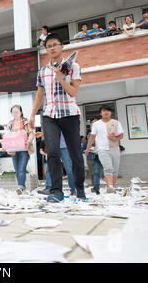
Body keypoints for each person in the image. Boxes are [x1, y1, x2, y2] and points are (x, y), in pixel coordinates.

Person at [29, 33, 87, 203]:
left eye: (55, 44)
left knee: (75, 153)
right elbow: (40, 94)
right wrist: (32, 115)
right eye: (49, 46)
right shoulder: (42, 71)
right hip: (49, 115)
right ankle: (56, 191)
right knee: (52, 152)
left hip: (69, 114)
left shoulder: (73, 66)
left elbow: (73, 92)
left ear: (62, 46)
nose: (52, 48)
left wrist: (60, 77)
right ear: (46, 50)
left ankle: (80, 189)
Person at [85, 105, 124, 193]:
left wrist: (114, 138)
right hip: (102, 150)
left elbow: (121, 135)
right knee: (108, 168)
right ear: (101, 113)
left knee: (115, 169)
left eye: (108, 111)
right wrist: (87, 149)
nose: (106, 112)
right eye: (104, 111)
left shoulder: (116, 122)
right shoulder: (96, 124)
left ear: (111, 112)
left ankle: (113, 187)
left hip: (115, 149)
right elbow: (92, 137)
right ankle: (110, 186)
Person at [5, 105, 35, 195]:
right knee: (17, 169)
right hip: (14, 150)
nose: (15, 113)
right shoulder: (10, 124)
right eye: (13, 112)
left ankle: (20, 186)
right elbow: (7, 136)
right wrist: (7, 147)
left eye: (17, 112)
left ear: (21, 112)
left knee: (21, 168)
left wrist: (29, 141)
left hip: (24, 149)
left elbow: (31, 133)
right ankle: (21, 186)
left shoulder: (26, 122)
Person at [83, 117, 103, 194]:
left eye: (96, 122)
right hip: (95, 155)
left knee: (109, 171)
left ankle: (111, 187)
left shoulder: (104, 131)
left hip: (105, 154)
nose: (94, 124)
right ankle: (96, 187)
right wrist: (89, 149)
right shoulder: (90, 135)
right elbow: (86, 145)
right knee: (96, 171)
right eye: (93, 123)